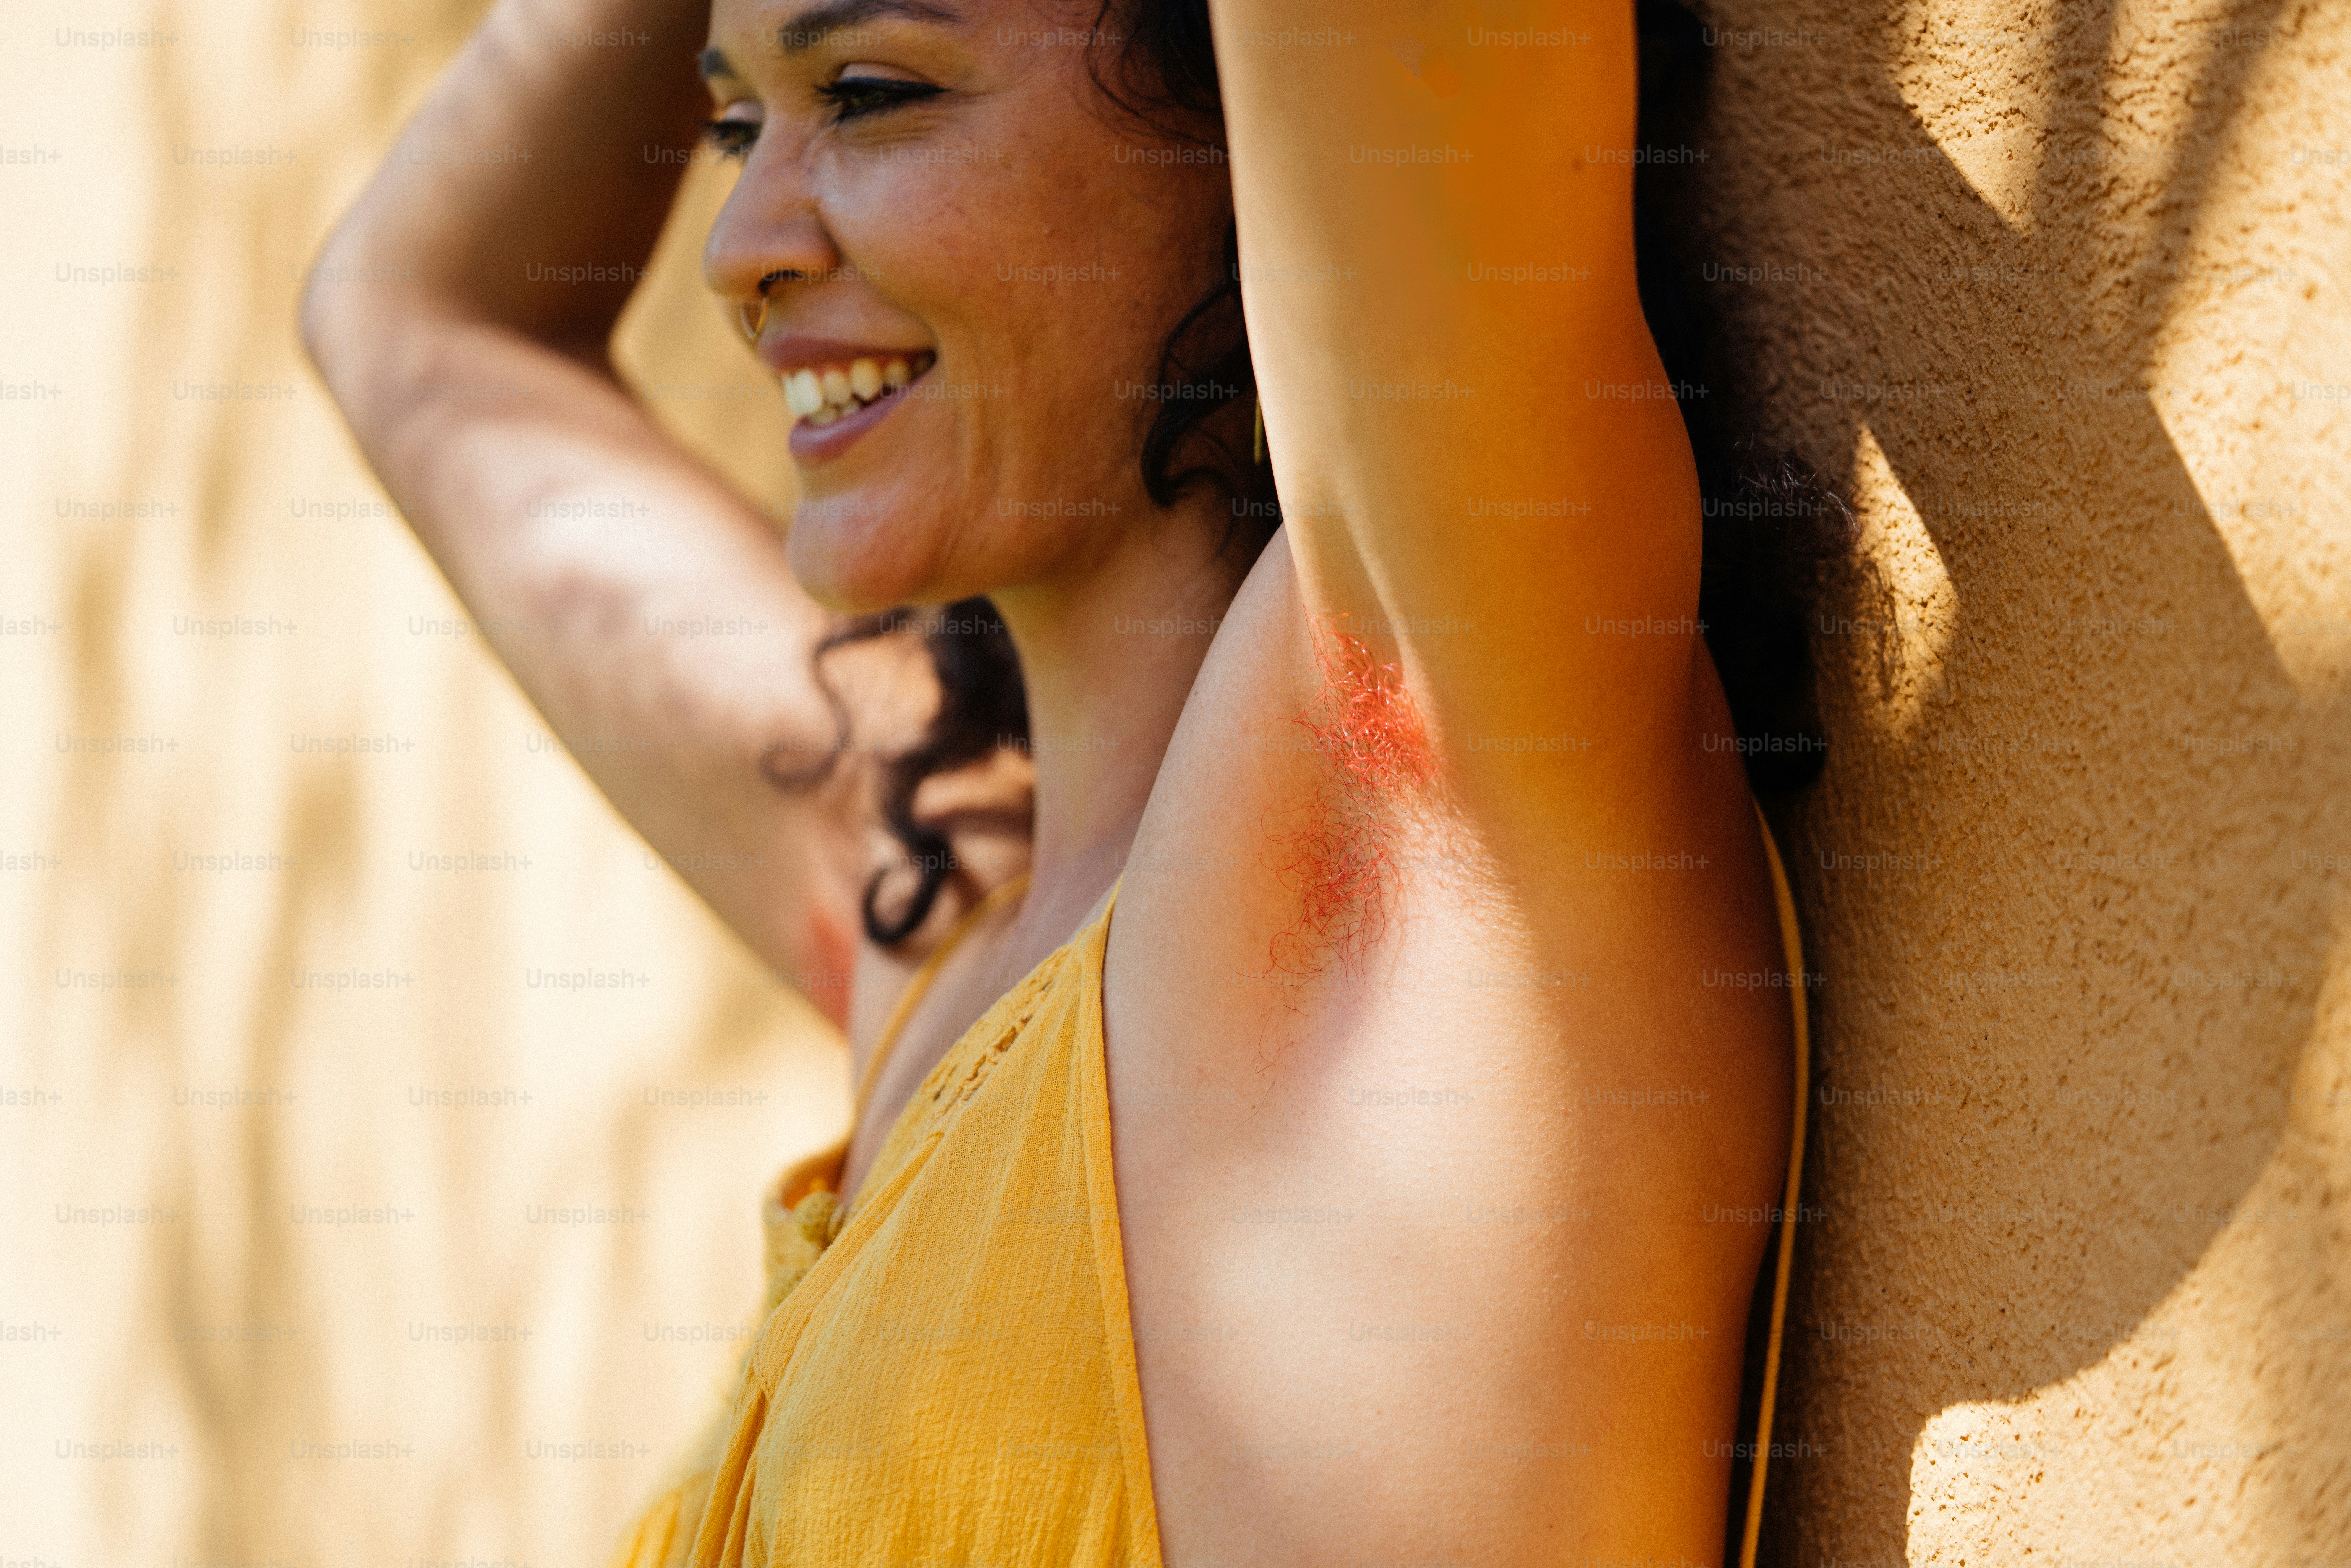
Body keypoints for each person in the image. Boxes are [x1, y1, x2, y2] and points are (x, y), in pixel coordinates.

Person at [302, 0, 1813, 1561]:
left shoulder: (1415, 802)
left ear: (1235, 117)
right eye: (739, 124)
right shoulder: (948, 908)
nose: (738, 246)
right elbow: (413, 327)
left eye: (872, 94)